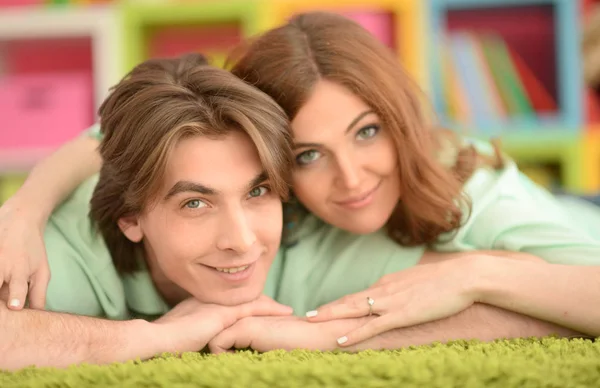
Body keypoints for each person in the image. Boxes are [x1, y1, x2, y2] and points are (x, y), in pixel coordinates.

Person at [0, 12, 593, 355]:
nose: (352, 178)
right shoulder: (230, 153)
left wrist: (476, 273)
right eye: (309, 154)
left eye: (367, 132)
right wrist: (26, 207)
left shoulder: (471, 189)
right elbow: (119, 130)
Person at [0, 53, 299, 370]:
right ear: (130, 219)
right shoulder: (61, 255)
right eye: (194, 203)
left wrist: (318, 333)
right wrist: (156, 336)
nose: (241, 241)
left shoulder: (312, 232)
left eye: (257, 191)